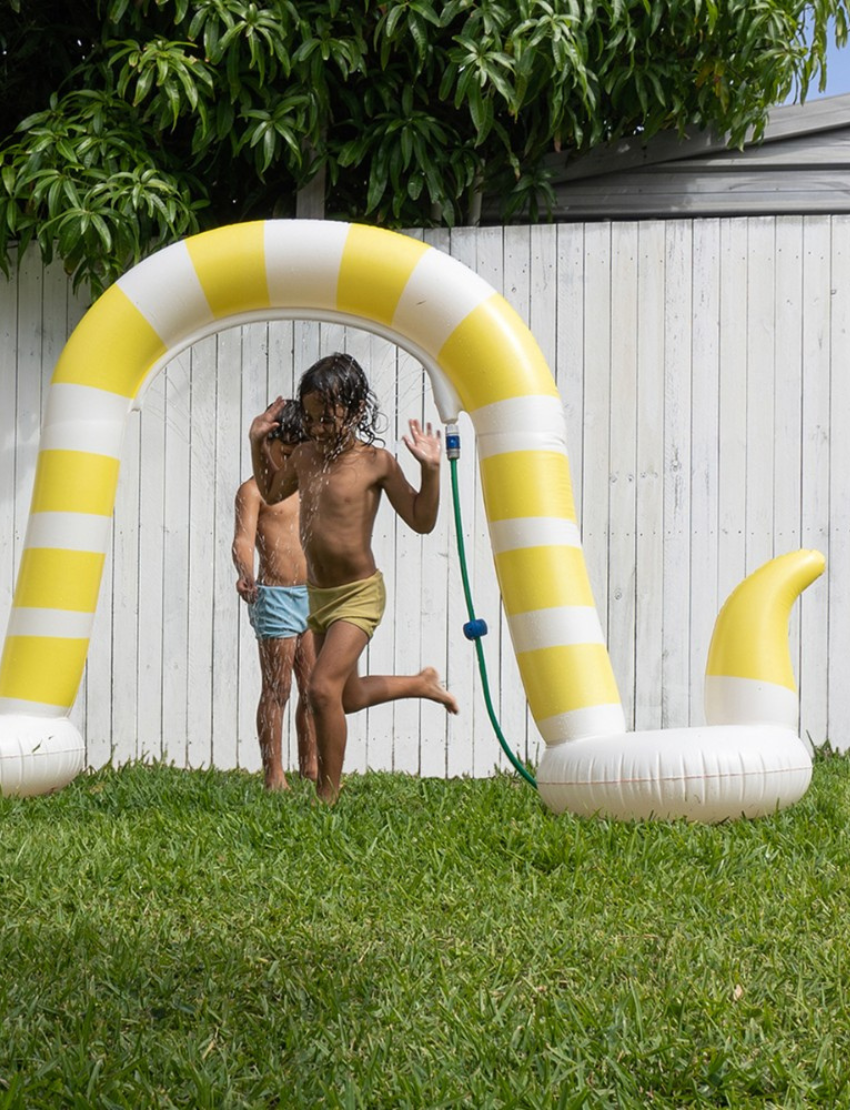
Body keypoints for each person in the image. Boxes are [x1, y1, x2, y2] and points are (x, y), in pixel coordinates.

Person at [249, 352, 458, 804]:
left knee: (321, 689)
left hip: (359, 595)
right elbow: (269, 491)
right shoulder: (304, 455)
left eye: (327, 418)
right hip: (317, 596)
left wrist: (431, 470)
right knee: (345, 696)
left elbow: (422, 520)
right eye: (310, 418)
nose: (318, 428)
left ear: (357, 409)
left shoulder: (376, 463)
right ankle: (421, 683)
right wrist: (256, 443)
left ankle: (328, 795)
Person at [233, 400, 317, 791]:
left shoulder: (309, 481)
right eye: (282, 452)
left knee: (315, 687)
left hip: (313, 594)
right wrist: (245, 573)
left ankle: (312, 768)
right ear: (267, 444)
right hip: (276, 596)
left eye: (294, 453)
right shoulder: (253, 491)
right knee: (278, 688)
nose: (287, 461)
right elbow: (243, 540)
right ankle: (274, 775)